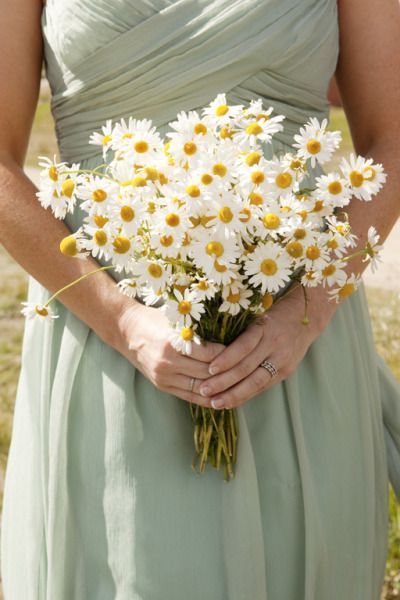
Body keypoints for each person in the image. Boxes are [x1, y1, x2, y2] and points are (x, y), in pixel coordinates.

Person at [1, 0, 400, 598]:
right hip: (101, 322)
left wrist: (302, 315)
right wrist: (122, 320)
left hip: (297, 328)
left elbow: (390, 139)